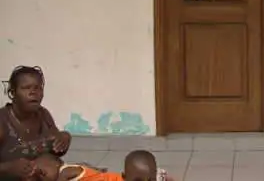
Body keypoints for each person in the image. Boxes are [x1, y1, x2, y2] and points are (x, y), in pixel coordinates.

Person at [0, 66, 71, 181]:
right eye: (26, 88)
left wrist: (64, 138)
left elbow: (56, 149)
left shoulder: (43, 115)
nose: (33, 92)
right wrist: (8, 168)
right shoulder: (3, 121)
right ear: (13, 92)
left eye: (38, 88)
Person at [32, 150, 173, 181]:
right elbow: (86, 167)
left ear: (57, 163)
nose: (42, 174)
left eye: (43, 171)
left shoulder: (65, 171)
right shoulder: (75, 169)